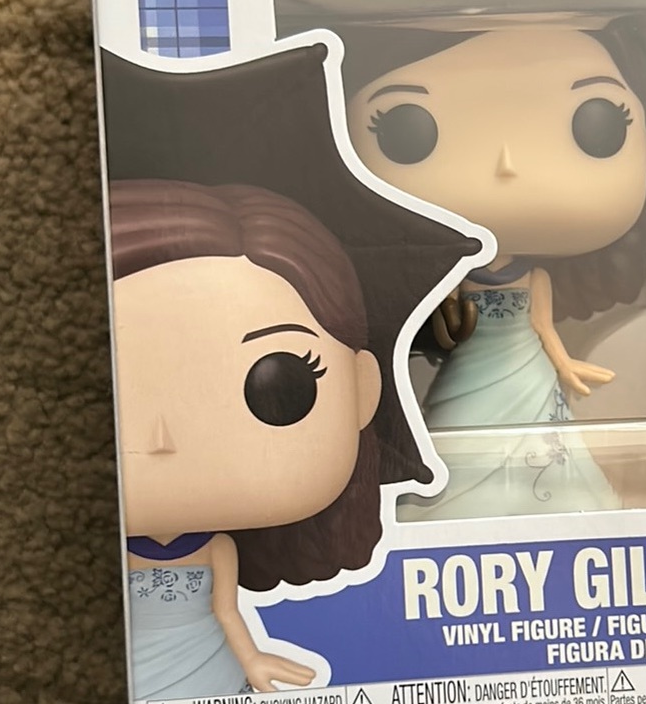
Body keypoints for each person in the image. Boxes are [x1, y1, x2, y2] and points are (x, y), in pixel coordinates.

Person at [344, 21, 646, 517]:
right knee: (460, 435)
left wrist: (565, 366)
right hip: (471, 367)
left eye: (598, 125)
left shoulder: (534, 276)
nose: (507, 164)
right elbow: (444, 330)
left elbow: (544, 328)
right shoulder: (452, 278)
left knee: (541, 447)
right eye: (406, 132)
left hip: (529, 367)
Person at [110, 179, 429, 698]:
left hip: (205, 661)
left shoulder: (215, 547)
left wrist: (254, 660)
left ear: (361, 389)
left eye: (280, 385)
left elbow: (227, 613)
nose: (161, 439)